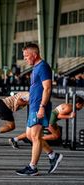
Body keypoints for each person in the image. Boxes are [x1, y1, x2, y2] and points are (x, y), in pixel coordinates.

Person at [16, 43, 63, 176]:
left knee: (36, 137)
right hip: (34, 105)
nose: (25, 58)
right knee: (31, 136)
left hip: (39, 106)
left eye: (26, 56)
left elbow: (47, 88)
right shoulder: (36, 68)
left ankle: (33, 167)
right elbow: (36, 88)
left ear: (34, 55)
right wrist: (26, 101)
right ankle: (53, 155)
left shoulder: (43, 67)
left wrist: (42, 107)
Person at [9, 95, 84, 148]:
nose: (82, 107)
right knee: (56, 136)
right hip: (52, 119)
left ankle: (14, 139)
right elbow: (59, 116)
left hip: (50, 117)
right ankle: (37, 141)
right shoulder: (69, 108)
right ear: (78, 104)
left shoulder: (68, 105)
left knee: (33, 132)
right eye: (82, 105)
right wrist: (70, 116)